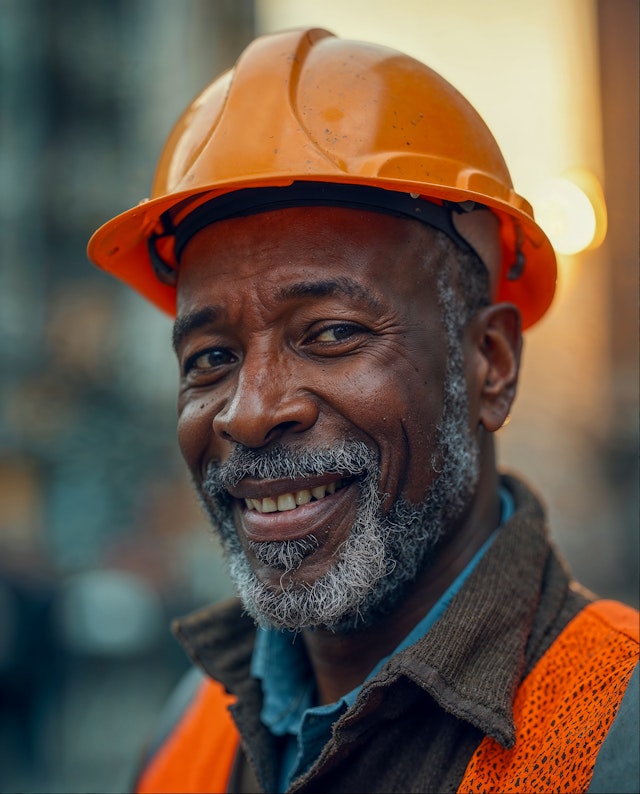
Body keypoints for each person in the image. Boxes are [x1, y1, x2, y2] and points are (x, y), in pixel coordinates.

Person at [87, 27, 638, 794]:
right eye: (210, 357)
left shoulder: (621, 729)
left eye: (333, 333)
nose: (249, 414)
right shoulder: (192, 728)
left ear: (490, 364)